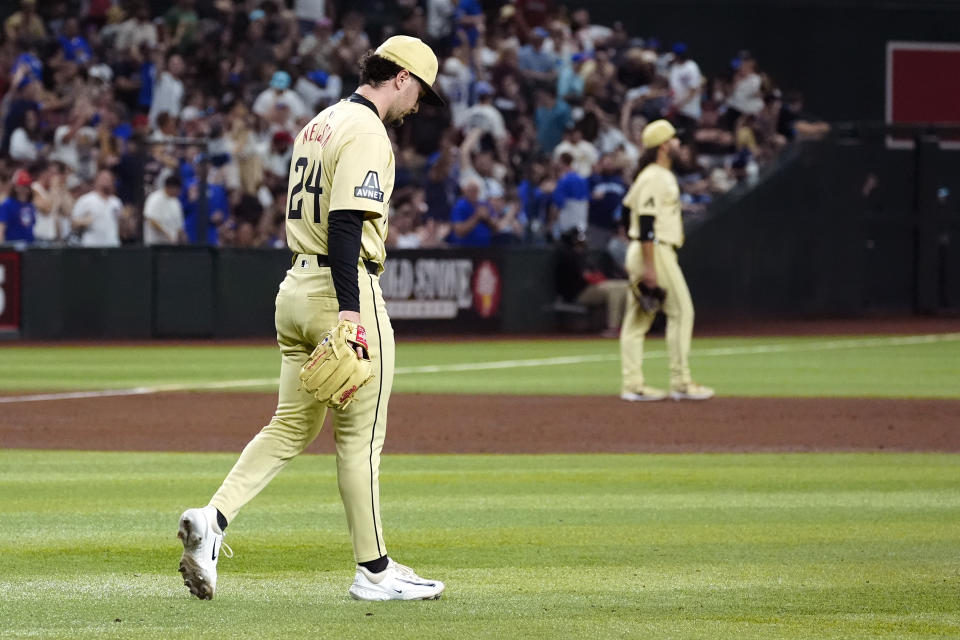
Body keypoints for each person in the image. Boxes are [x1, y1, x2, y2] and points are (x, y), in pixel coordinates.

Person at [177, 35, 446, 602]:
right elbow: (348, 223)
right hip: (340, 290)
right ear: (400, 77)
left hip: (295, 287)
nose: (419, 105)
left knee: (291, 426)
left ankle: (212, 521)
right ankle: (374, 572)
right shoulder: (368, 131)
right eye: (420, 90)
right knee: (360, 443)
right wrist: (351, 313)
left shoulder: (319, 122)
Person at [619, 119, 714, 402]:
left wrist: (637, 248)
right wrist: (649, 264)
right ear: (663, 145)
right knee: (682, 311)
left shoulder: (652, 176)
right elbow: (645, 221)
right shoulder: (655, 177)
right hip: (655, 250)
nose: (678, 145)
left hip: (645, 249)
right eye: (674, 140)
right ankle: (681, 382)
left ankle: (634, 385)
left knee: (637, 323)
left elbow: (626, 213)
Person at [71, 169, 124, 247]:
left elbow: (120, 226)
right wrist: (83, 222)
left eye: (109, 179)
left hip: (112, 244)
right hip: (92, 245)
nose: (106, 181)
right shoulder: (86, 200)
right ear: (97, 180)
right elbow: (73, 223)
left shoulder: (116, 202)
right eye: (104, 179)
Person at [143, 175, 186, 245]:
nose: (179, 193)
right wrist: (167, 234)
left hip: (171, 245)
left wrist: (182, 236)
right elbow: (151, 220)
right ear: (172, 188)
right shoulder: (155, 198)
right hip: (155, 245)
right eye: (178, 190)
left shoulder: (176, 202)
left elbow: (179, 226)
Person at [0, 169, 37, 244]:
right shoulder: (7, 205)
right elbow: (1, 228)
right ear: (15, 187)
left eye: (26, 186)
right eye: (20, 186)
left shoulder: (30, 205)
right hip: (12, 247)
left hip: (29, 246)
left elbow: (30, 226)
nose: (23, 189)